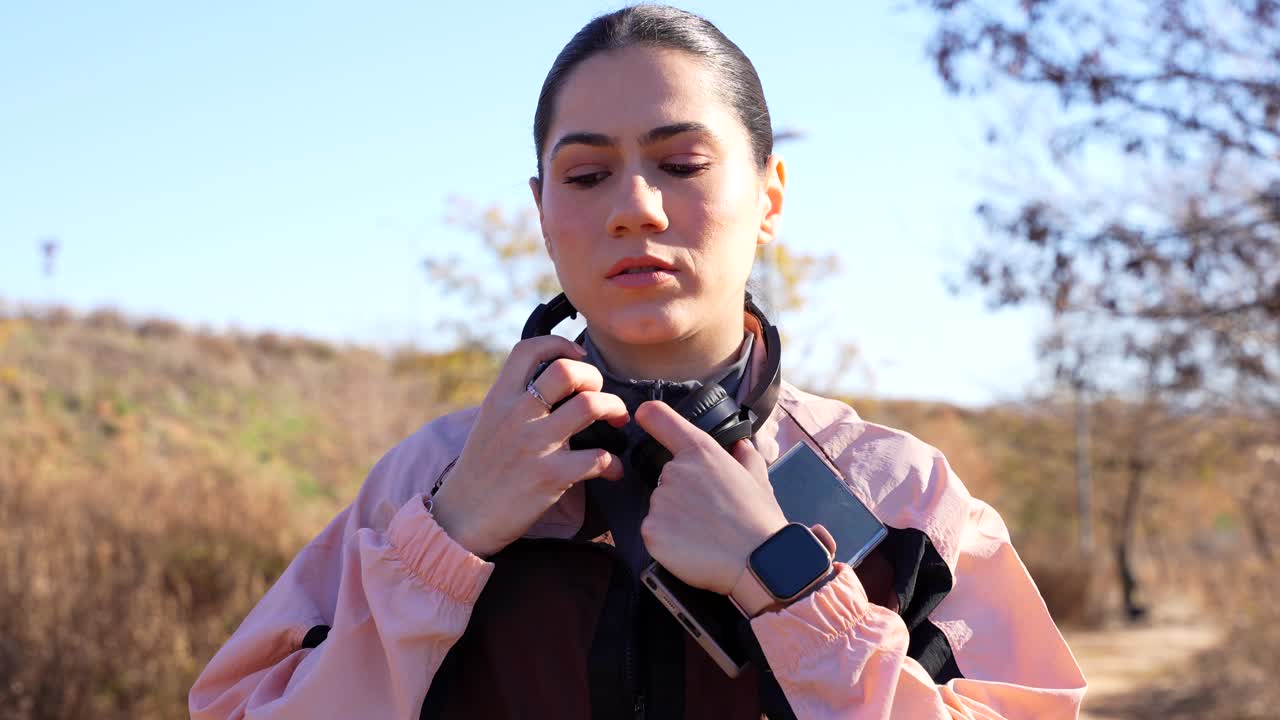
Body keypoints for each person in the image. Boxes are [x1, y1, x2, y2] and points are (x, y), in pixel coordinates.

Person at [189, 5, 1087, 718]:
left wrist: (790, 587)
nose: (637, 209)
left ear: (770, 195)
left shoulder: (900, 498)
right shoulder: (424, 485)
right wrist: (449, 540)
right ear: (543, 210)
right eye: (587, 177)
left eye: (683, 162)